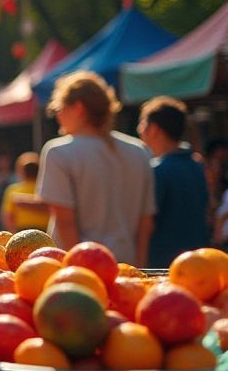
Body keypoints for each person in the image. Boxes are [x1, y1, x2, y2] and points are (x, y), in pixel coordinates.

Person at [37, 71, 154, 266]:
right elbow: (145, 224)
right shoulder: (139, 151)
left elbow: (65, 223)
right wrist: (140, 269)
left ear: (79, 108)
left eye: (60, 108)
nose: (58, 116)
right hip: (126, 264)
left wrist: (78, 270)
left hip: (79, 267)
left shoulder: (58, 152)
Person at [138, 97, 210, 267]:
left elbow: (146, 224)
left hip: (165, 266)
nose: (139, 130)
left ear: (154, 129)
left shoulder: (157, 170)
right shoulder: (197, 165)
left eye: (142, 124)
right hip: (200, 260)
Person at [1, 152, 50, 232]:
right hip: (45, 231)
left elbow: (7, 217)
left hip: (22, 232)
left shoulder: (13, 190)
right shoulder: (47, 188)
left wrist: (14, 234)